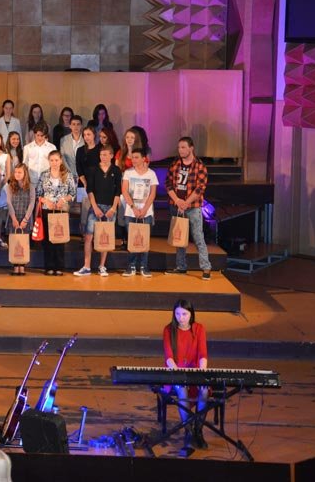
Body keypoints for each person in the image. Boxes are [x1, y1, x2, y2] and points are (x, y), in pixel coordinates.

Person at [163, 299, 210, 450]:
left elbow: (203, 354)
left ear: (191, 314)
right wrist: (179, 375)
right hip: (175, 372)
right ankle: (188, 431)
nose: (181, 318)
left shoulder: (199, 329)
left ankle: (198, 430)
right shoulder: (169, 330)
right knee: (182, 389)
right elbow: (169, 357)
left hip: (195, 372)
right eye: (177, 314)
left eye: (184, 314)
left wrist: (201, 375)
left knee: (204, 390)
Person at [164, 137, 213, 280]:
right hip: (176, 205)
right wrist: (177, 200)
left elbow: (200, 188)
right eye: (179, 147)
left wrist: (186, 202)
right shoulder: (175, 164)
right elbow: (168, 184)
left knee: (198, 237)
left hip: (192, 207)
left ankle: (206, 267)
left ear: (191, 148)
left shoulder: (199, 166)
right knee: (179, 237)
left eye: (183, 147)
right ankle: (181, 266)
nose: (180, 150)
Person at [76, 144, 120, 277]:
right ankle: (86, 266)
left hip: (110, 208)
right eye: (101, 155)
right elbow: (90, 190)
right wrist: (95, 207)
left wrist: (113, 208)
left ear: (111, 155)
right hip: (95, 207)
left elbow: (118, 191)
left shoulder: (116, 170)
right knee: (88, 236)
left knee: (105, 237)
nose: (103, 157)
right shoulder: (93, 170)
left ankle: (102, 266)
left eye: (106, 155)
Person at [37, 150, 77, 276]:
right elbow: (38, 193)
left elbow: (73, 193)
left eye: (56, 160)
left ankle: (59, 266)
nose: (54, 163)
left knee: (59, 239)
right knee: (48, 240)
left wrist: (63, 200)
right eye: (52, 160)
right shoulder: (44, 175)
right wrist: (46, 201)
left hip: (61, 210)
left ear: (60, 161)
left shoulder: (68, 175)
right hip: (47, 210)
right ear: (49, 161)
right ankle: (49, 266)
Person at [121, 149, 157, 277]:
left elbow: (152, 193)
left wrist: (145, 209)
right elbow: (124, 191)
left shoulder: (151, 174)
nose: (133, 160)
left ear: (143, 158)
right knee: (132, 239)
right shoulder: (128, 173)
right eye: (132, 157)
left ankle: (144, 266)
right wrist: (133, 207)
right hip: (131, 211)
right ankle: (131, 266)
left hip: (146, 212)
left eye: (136, 157)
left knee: (144, 239)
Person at [5, 163, 36, 275]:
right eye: (16, 172)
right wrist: (14, 218)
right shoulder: (10, 186)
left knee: (24, 242)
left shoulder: (31, 187)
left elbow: (32, 203)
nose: (17, 174)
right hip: (13, 216)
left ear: (25, 173)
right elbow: (8, 202)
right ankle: (15, 265)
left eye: (20, 172)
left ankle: (22, 265)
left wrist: (25, 219)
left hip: (25, 217)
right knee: (14, 241)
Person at [75, 125, 101, 243]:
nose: (86, 137)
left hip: (97, 184)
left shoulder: (100, 149)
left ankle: (96, 235)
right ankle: (85, 235)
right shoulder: (80, 150)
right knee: (84, 211)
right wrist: (85, 182)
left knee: (97, 208)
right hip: (83, 184)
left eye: (89, 134)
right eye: (84, 135)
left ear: (94, 135)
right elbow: (79, 168)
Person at [23, 121, 56, 188]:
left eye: (42, 135)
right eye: (38, 135)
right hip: (31, 181)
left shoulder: (52, 148)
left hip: (47, 181)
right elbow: (25, 165)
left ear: (46, 135)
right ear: (34, 134)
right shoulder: (27, 147)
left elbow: (54, 165)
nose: (40, 138)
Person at [59, 115, 85, 184]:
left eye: (78, 124)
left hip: (83, 176)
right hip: (68, 175)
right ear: (70, 126)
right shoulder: (63, 140)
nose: (76, 127)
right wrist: (70, 173)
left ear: (81, 126)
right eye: (73, 124)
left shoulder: (86, 140)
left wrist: (81, 175)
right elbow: (63, 158)